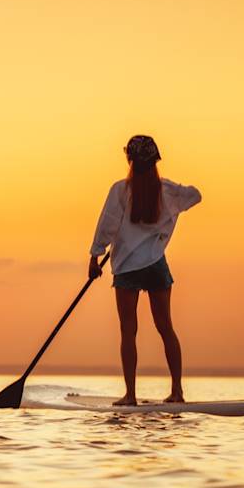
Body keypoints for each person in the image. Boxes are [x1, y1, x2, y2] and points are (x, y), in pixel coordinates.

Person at [89, 135, 202, 405]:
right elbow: (195, 195)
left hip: (127, 267)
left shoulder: (120, 190)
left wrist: (95, 257)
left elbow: (106, 225)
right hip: (156, 265)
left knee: (128, 331)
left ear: (130, 160)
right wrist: (170, 214)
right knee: (166, 327)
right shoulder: (168, 191)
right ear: (154, 162)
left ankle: (130, 396)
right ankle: (177, 392)